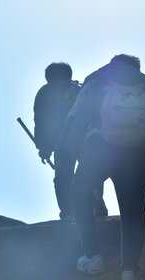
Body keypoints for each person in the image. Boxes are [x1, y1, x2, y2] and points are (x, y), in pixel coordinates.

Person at [55, 55, 145, 280]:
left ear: (112, 65)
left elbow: (76, 118)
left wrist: (69, 153)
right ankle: (130, 270)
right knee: (133, 209)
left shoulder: (96, 84)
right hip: (140, 151)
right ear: (136, 69)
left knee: (79, 192)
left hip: (100, 148)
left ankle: (93, 256)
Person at [34, 62, 108, 222]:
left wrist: (43, 146)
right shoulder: (82, 89)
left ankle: (68, 212)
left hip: (61, 142)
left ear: (48, 77)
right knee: (90, 172)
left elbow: (40, 121)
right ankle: (95, 202)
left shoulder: (45, 92)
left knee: (63, 177)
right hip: (87, 139)